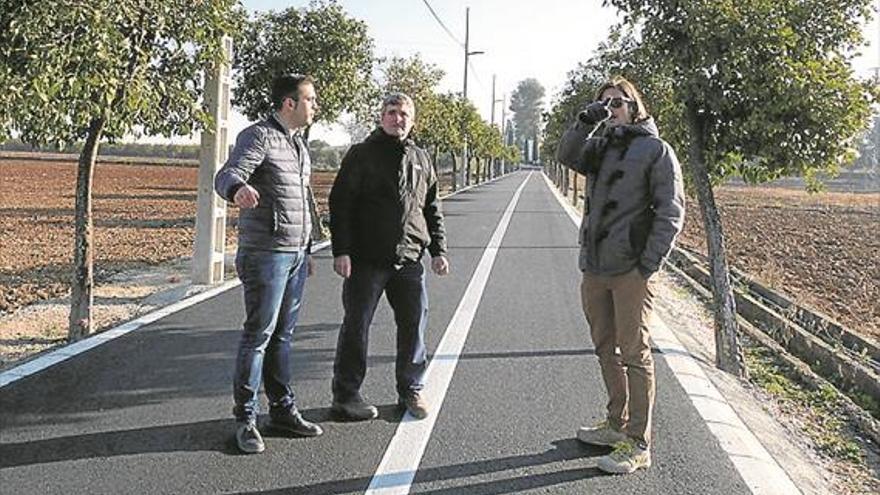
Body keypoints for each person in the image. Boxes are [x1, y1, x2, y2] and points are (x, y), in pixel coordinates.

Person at [555, 77, 685, 474]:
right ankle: (616, 423)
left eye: (617, 103)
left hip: (632, 270)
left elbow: (671, 213)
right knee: (603, 346)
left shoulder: (657, 150)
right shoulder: (600, 146)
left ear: (635, 106)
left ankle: (638, 442)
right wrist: (586, 120)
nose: (610, 109)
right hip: (595, 266)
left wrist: (648, 265)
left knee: (634, 353)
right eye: (604, 103)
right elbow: (567, 154)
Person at [214, 74, 323, 454]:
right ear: (289, 104)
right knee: (258, 336)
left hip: (293, 255)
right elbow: (226, 174)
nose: (315, 106)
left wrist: (307, 248)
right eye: (310, 99)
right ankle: (246, 419)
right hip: (265, 254)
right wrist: (237, 189)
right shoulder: (258, 136)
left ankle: (282, 410)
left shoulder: (298, 144)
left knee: (282, 337)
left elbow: (300, 202)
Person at [328, 92, 449, 421]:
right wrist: (342, 250)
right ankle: (347, 394)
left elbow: (432, 208)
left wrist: (438, 250)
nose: (398, 119)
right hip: (366, 260)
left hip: (409, 260)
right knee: (357, 326)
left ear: (413, 120)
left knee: (413, 325)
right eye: (392, 112)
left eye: (404, 114)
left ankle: (410, 389)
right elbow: (341, 205)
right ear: (381, 117)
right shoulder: (361, 155)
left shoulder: (422, 159)